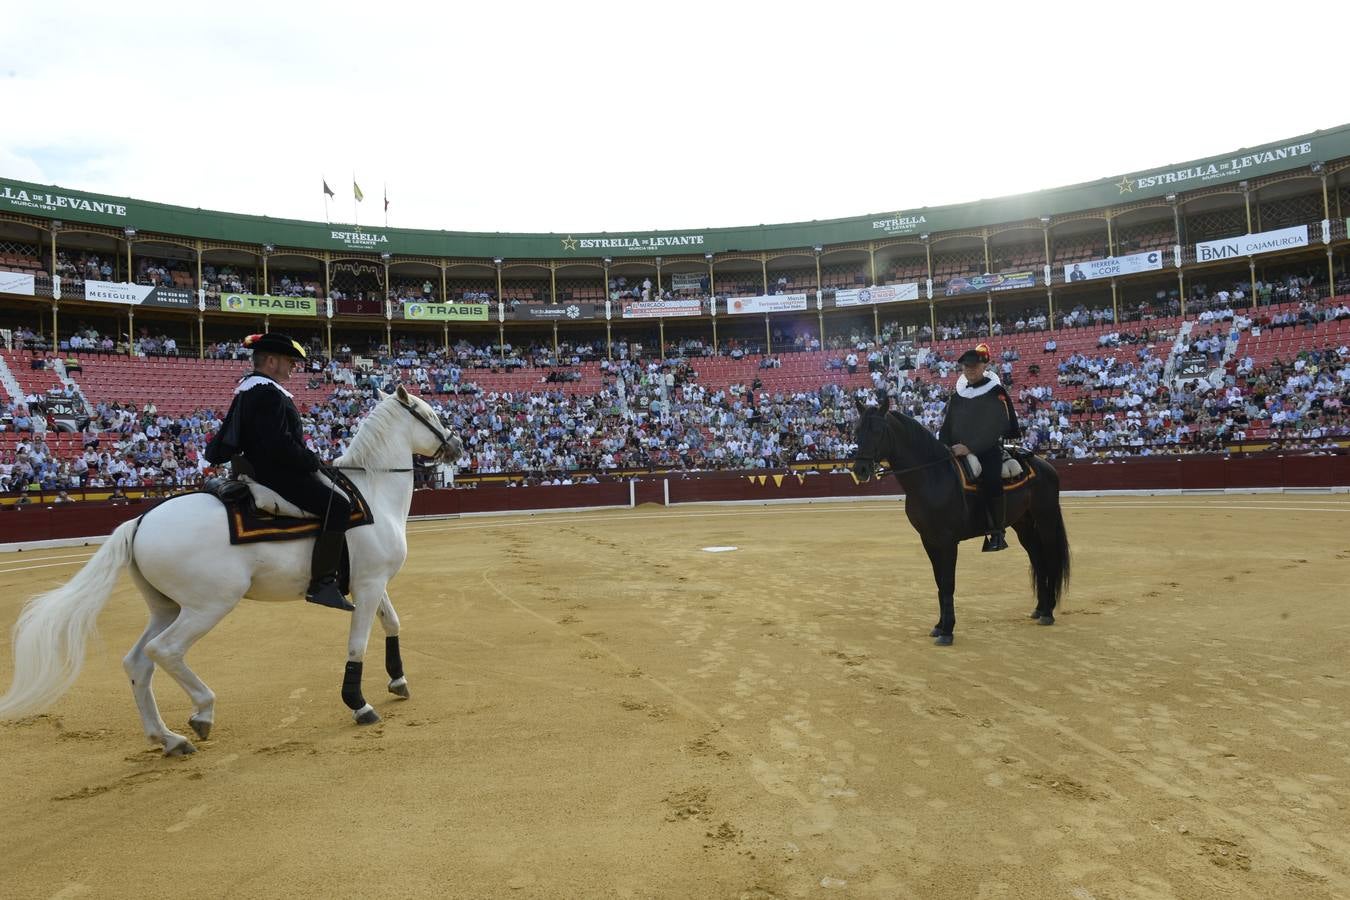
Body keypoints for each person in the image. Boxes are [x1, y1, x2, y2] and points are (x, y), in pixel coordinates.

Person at [205, 332, 355, 611]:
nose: (294, 367)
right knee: (338, 506)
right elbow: (279, 445)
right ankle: (323, 582)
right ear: (271, 361)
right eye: (290, 361)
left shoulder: (251, 389)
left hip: (262, 468)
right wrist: (312, 461)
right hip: (277, 474)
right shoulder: (267, 393)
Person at [938, 343, 1022, 552]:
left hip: (987, 447)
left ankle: (996, 532)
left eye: (974, 366)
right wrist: (942, 445)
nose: (970, 370)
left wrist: (969, 447)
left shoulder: (995, 391)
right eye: (967, 367)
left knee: (992, 479)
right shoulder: (959, 395)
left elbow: (998, 425)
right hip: (957, 447)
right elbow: (948, 425)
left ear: (984, 366)